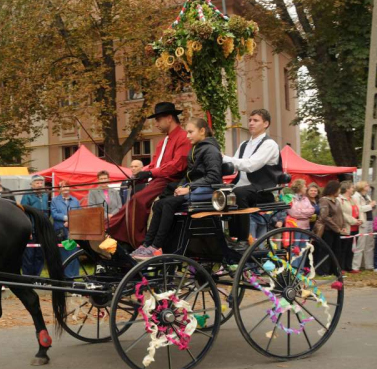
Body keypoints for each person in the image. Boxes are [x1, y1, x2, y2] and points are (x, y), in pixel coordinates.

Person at [131, 118, 222, 259]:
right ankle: (147, 244)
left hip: (208, 191)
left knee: (167, 203)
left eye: (191, 132)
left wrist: (189, 188)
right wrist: (181, 186)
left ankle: (156, 247)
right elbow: (189, 174)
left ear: (202, 131)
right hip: (196, 189)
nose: (188, 136)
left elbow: (214, 177)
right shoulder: (196, 149)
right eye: (187, 132)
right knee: (158, 204)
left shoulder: (210, 150)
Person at [108, 102, 190, 246]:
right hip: (158, 181)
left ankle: (136, 239)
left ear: (169, 118)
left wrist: (150, 172)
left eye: (158, 119)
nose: (156, 124)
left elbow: (177, 165)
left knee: (139, 200)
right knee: (134, 198)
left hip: (170, 183)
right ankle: (118, 232)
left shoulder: (183, 138)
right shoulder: (162, 142)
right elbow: (153, 165)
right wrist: (138, 176)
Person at [222, 109, 282, 249]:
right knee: (221, 193)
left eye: (255, 120)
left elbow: (251, 165)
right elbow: (234, 165)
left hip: (264, 190)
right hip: (244, 188)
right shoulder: (244, 145)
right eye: (250, 120)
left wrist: (224, 157)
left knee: (239, 193)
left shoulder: (269, 144)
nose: (251, 123)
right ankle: (229, 236)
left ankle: (242, 239)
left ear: (266, 124)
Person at [21, 175, 50, 277]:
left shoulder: (45, 195)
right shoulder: (27, 196)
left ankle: (37, 277)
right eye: (37, 183)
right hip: (31, 230)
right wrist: (28, 230)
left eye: (41, 182)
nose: (39, 185)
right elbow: (24, 214)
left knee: (40, 254)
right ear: (32, 185)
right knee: (29, 255)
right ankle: (28, 277)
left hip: (42, 230)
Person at [314, 180, 346, 275]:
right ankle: (322, 271)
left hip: (336, 230)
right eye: (338, 189)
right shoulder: (324, 200)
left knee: (337, 251)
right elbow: (325, 217)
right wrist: (336, 228)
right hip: (328, 230)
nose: (339, 191)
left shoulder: (337, 201)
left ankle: (335, 270)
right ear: (334, 189)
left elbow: (340, 214)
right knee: (326, 251)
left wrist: (342, 226)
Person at [51, 181, 81, 278]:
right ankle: (65, 277)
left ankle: (74, 276)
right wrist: (66, 218)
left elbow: (79, 214)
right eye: (62, 187)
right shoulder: (55, 200)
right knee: (64, 255)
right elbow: (54, 214)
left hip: (74, 231)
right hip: (61, 232)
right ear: (59, 189)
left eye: (66, 186)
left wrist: (71, 221)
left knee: (74, 254)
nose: (65, 188)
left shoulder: (75, 201)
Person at [352, 181, 376, 272]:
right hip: (363, 221)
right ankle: (355, 266)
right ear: (361, 187)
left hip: (370, 220)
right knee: (360, 245)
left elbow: (369, 207)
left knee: (369, 244)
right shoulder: (356, 196)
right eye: (366, 185)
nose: (368, 186)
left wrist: (372, 205)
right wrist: (370, 205)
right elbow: (359, 209)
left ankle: (369, 265)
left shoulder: (367, 196)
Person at [338, 181, 361, 272]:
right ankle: (341, 267)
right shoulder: (340, 199)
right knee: (344, 248)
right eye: (351, 187)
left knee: (351, 249)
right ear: (347, 189)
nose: (353, 189)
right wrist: (354, 221)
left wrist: (360, 219)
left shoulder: (352, 199)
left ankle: (349, 266)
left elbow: (359, 209)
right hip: (347, 227)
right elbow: (342, 213)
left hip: (355, 227)